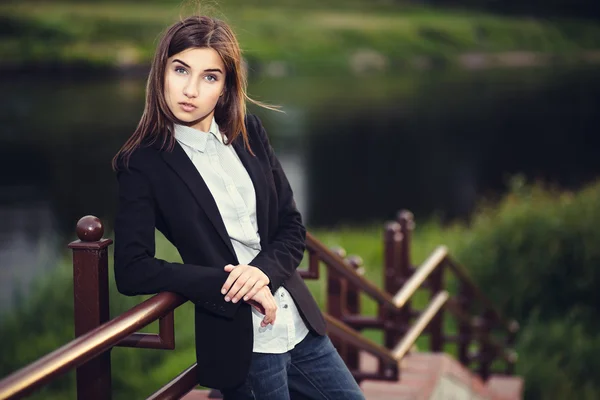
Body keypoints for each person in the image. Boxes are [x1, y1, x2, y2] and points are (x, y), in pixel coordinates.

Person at [112, 15, 365, 400]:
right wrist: (230, 283)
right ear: (161, 71)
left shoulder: (250, 131)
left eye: (210, 77)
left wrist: (261, 273)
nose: (191, 90)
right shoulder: (142, 164)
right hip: (244, 347)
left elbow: (291, 226)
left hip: (298, 325)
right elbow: (132, 270)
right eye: (181, 70)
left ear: (226, 87)